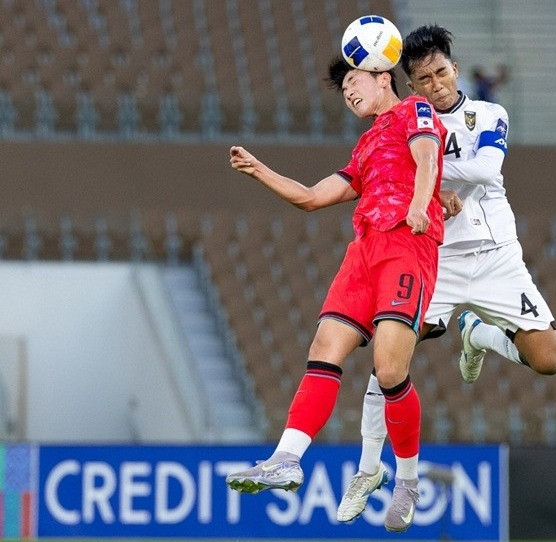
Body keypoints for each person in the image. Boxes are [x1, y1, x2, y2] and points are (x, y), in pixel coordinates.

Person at [336, 24, 556, 523]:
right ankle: (368, 466)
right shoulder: (403, 122)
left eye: (442, 72)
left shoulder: (489, 113)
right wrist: (422, 177)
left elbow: (487, 171)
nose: (436, 84)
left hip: (500, 256)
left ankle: (478, 335)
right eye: (424, 78)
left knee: (548, 360)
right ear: (411, 85)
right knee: (388, 357)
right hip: (438, 257)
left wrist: (425, 173)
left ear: (455, 69)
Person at [224, 57, 448, 534]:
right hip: (364, 253)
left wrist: (418, 205)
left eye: (353, 80)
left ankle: (406, 480)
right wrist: (259, 170)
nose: (347, 92)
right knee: (323, 349)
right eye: (343, 87)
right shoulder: (365, 146)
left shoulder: (416, 109)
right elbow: (309, 197)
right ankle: (286, 459)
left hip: (407, 244)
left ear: (382, 77)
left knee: (390, 370)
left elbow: (428, 157)